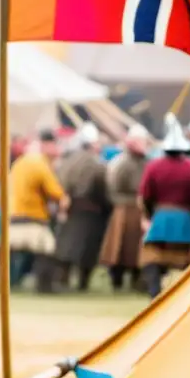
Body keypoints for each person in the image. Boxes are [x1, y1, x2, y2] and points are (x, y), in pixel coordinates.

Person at [138, 114, 190, 299]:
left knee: (152, 257)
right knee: (189, 259)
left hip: (161, 219)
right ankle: (188, 294)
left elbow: (145, 195)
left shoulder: (153, 167)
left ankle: (154, 291)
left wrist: (148, 216)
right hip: (185, 220)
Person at [8, 129, 68, 293]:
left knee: (16, 254)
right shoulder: (39, 164)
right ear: (47, 145)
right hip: (33, 217)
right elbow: (55, 192)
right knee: (48, 249)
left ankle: (11, 284)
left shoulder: (21, 162)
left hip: (14, 215)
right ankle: (44, 286)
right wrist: (64, 201)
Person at [53, 122, 111, 292]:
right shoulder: (97, 164)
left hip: (68, 208)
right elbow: (102, 189)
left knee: (65, 247)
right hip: (91, 211)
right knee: (87, 250)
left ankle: (63, 280)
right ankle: (82, 283)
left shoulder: (66, 161)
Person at [98, 124, 150, 291]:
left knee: (136, 249)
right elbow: (113, 188)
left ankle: (136, 279)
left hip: (140, 208)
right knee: (118, 248)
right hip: (124, 209)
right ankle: (117, 280)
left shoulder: (147, 162)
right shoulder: (120, 163)